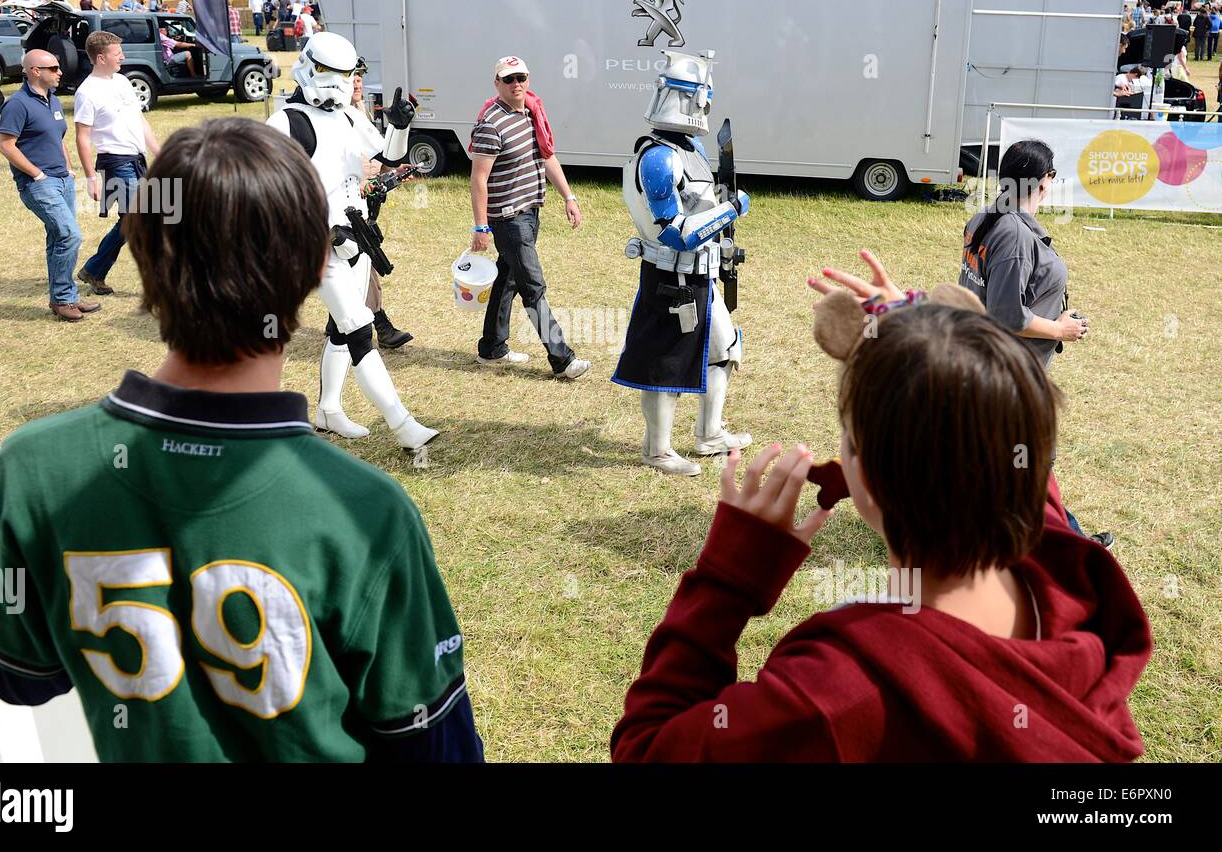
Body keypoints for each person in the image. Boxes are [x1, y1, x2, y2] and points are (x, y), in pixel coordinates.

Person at [0, 117, 484, 763]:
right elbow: (436, 749)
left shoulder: (33, 470)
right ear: (313, 272)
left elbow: (22, 673)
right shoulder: (365, 512)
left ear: (139, 252)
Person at [610, 254, 1151, 761]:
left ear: (859, 471)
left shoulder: (837, 692)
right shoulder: (1072, 579)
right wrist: (930, 333)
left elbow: (647, 746)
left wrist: (727, 579)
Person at [266, 32, 438, 450]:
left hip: (354, 234)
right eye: (329, 72)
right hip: (315, 244)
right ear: (308, 67)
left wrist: (400, 125)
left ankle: (328, 409)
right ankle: (403, 426)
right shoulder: (286, 122)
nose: (339, 82)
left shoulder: (346, 116)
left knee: (342, 330)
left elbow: (389, 157)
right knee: (359, 329)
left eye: (345, 73)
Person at [612, 49, 752, 476]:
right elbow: (675, 230)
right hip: (670, 275)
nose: (707, 105)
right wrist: (732, 210)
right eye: (703, 98)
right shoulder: (658, 156)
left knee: (723, 348)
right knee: (666, 363)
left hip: (702, 273)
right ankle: (657, 449)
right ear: (691, 100)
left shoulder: (686, 148)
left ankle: (709, 433)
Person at [470, 56, 590, 380]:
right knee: (533, 287)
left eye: (521, 77)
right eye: (508, 79)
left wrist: (569, 197)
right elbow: (479, 178)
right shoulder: (490, 124)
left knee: (507, 279)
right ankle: (563, 360)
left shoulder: (531, 111)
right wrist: (480, 226)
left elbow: (547, 157)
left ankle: (492, 348)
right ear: (497, 83)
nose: (516, 84)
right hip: (508, 219)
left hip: (530, 211)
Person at [959, 139, 1087, 369]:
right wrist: (1060, 329)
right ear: (1042, 182)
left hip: (984, 359)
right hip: (1007, 372)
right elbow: (1007, 316)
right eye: (1052, 173)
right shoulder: (1014, 235)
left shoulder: (986, 216)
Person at [0, 49, 99, 322]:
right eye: (53, 68)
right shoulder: (17, 104)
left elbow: (58, 137)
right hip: (37, 183)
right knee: (69, 235)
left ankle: (65, 298)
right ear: (34, 71)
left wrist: (67, 167)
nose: (60, 72)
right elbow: (5, 146)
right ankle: (64, 298)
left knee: (58, 238)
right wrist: (37, 174)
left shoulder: (51, 100)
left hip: (62, 180)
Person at [73, 31, 161, 297]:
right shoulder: (86, 93)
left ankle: (94, 270)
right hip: (116, 164)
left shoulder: (122, 81)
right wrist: (90, 178)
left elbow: (139, 121)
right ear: (101, 58)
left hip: (137, 160)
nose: (122, 56)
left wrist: (161, 153)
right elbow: (82, 136)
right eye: (117, 53)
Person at [350, 59, 414, 349]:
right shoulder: (328, 118)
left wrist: (394, 173)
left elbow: (383, 158)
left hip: (362, 211)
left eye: (359, 76)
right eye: (350, 76)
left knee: (356, 266)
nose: (357, 82)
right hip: (338, 211)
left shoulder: (359, 113)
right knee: (364, 263)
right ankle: (381, 326)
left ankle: (337, 322)